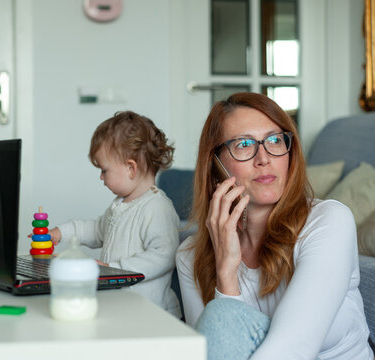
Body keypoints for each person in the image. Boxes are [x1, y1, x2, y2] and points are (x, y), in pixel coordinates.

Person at [176, 92, 374, 359]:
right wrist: (226, 274)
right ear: (215, 167)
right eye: (244, 144)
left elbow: (292, 351)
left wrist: (224, 308)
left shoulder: (330, 222)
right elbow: (213, 351)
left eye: (274, 140)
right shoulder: (190, 256)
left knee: (221, 317)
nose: (264, 158)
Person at [49, 110, 181, 318]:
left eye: (104, 170)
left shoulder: (157, 207)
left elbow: (163, 256)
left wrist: (114, 269)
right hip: (123, 309)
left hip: (152, 314)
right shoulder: (120, 206)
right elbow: (95, 230)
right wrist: (60, 233)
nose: (101, 177)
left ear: (131, 168)